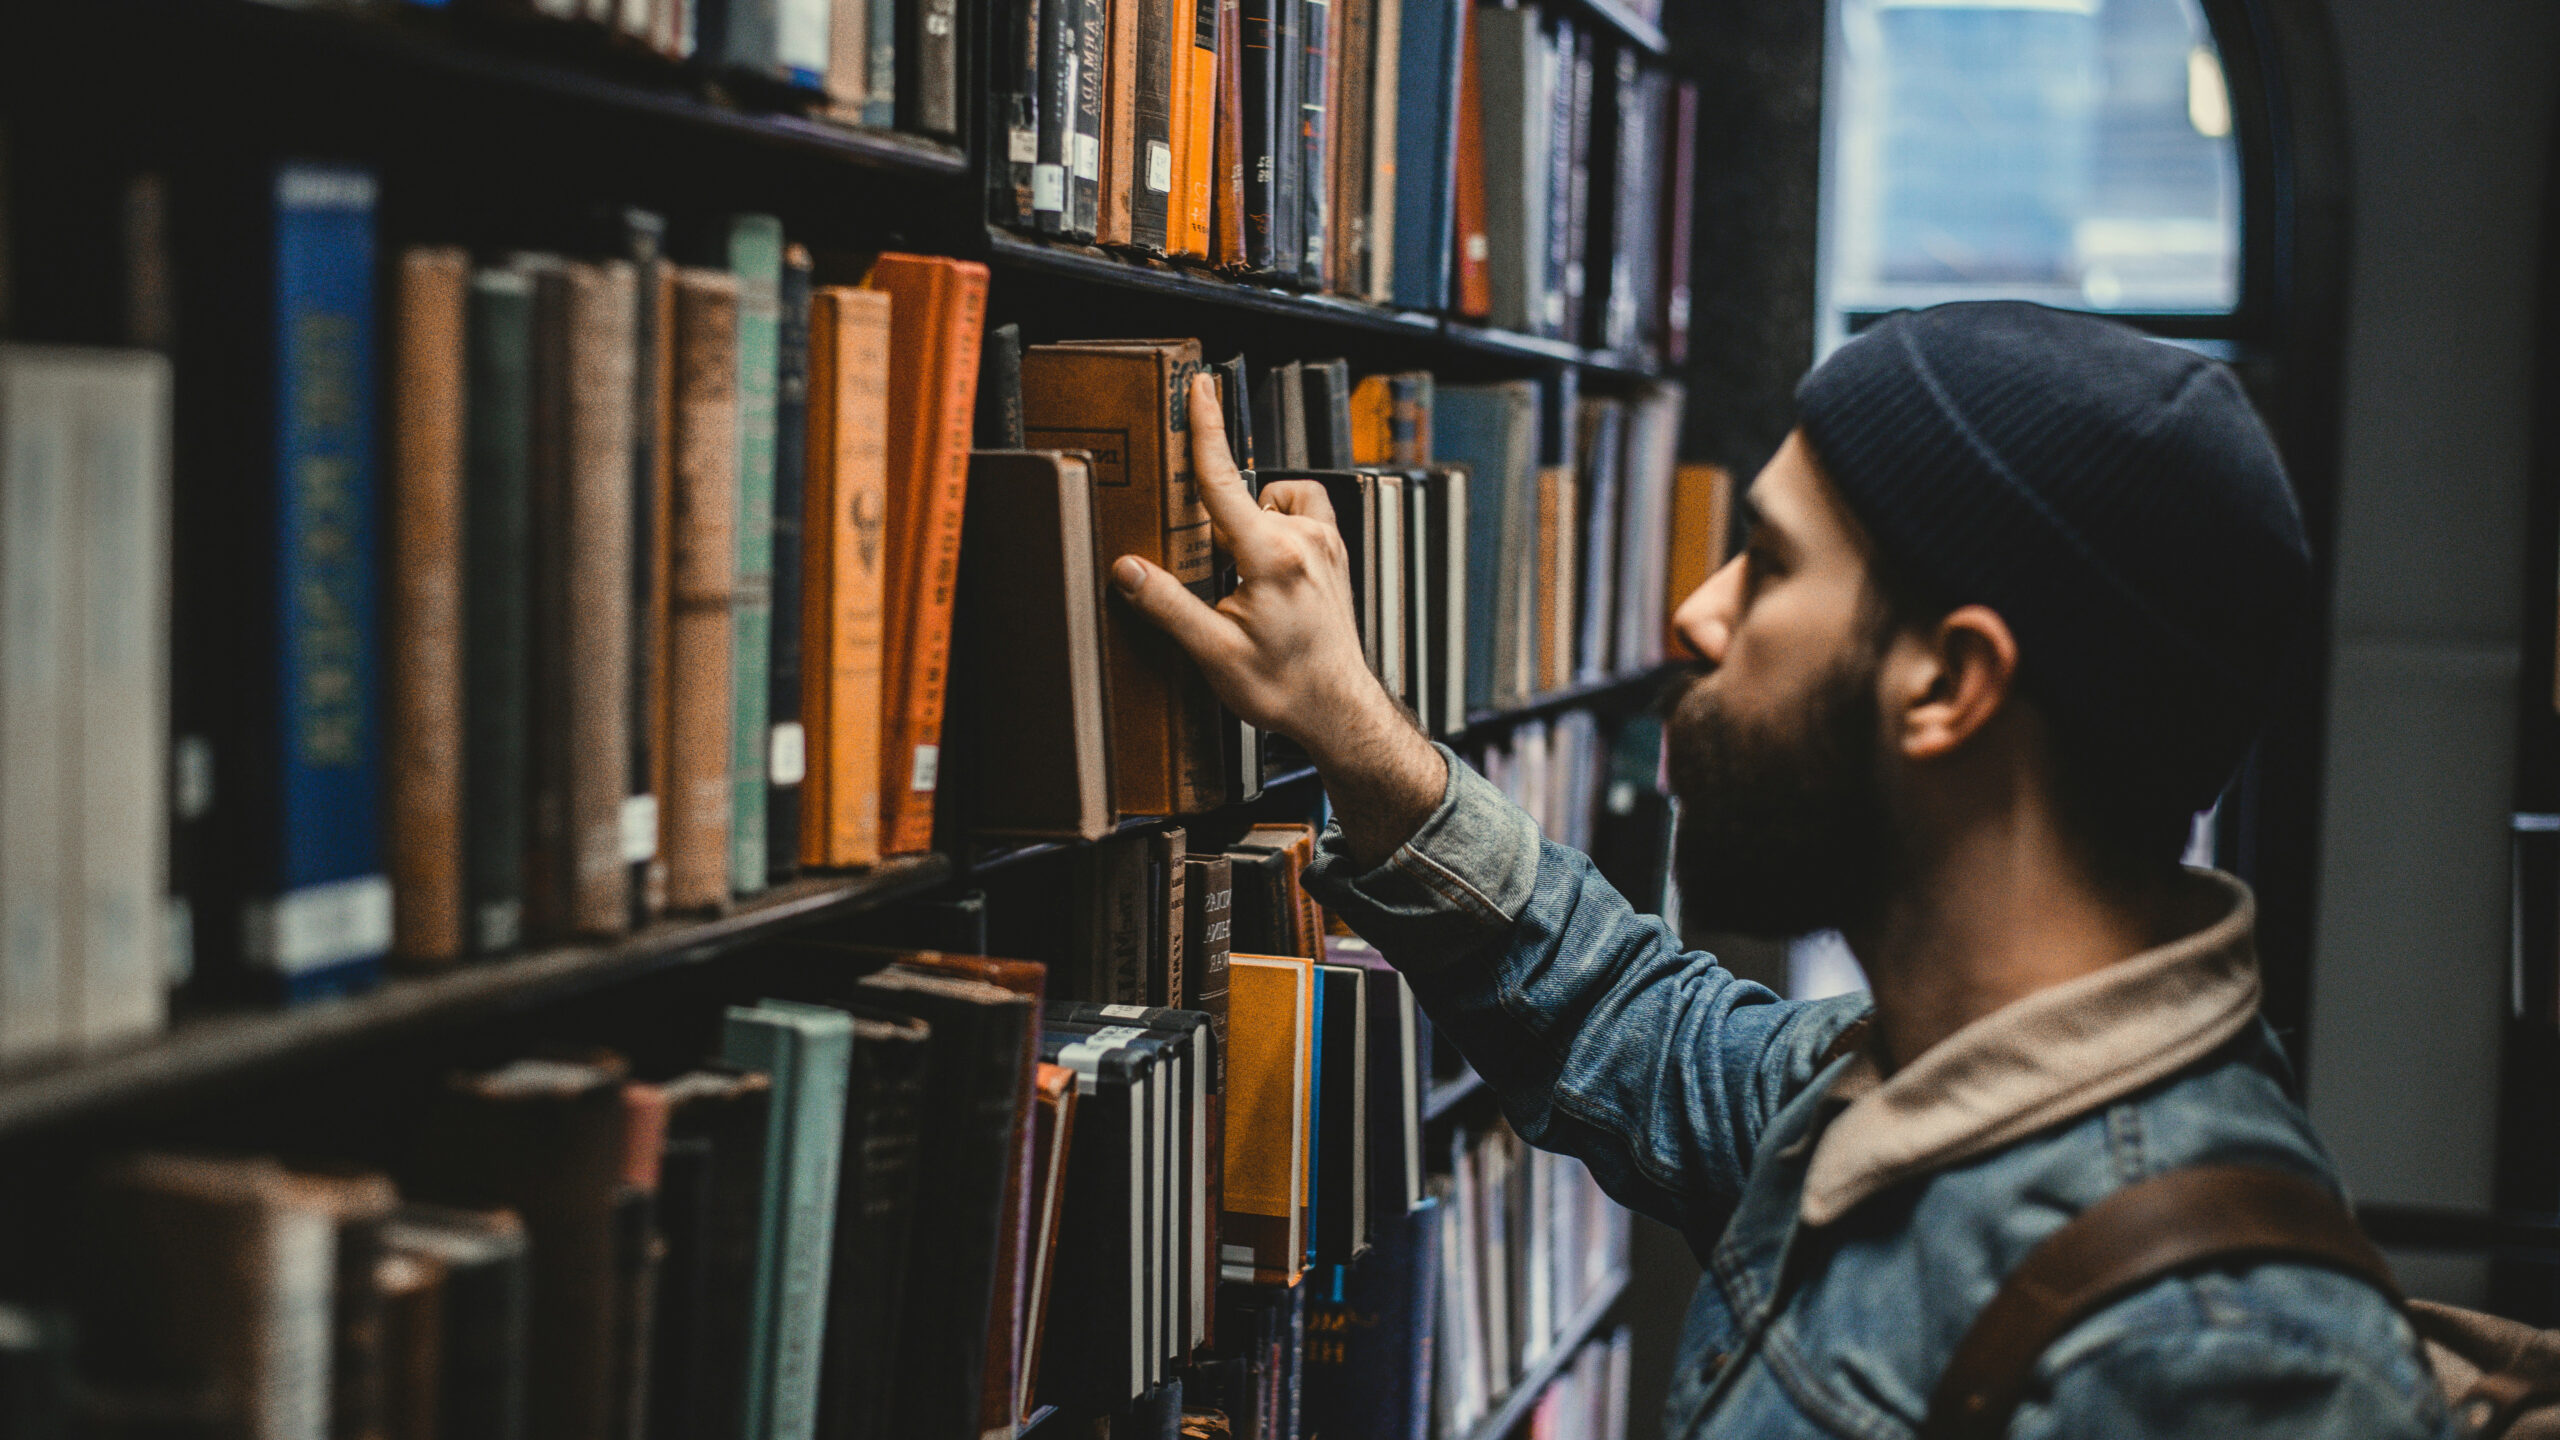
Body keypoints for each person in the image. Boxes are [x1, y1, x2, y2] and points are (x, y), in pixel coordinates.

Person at [1107, 302, 2449, 1438]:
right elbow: (1621, 1016)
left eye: (1774, 562)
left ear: (1951, 683)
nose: (1699, 612)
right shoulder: (1897, 1090)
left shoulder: (2217, 1352)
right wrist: (1352, 727)